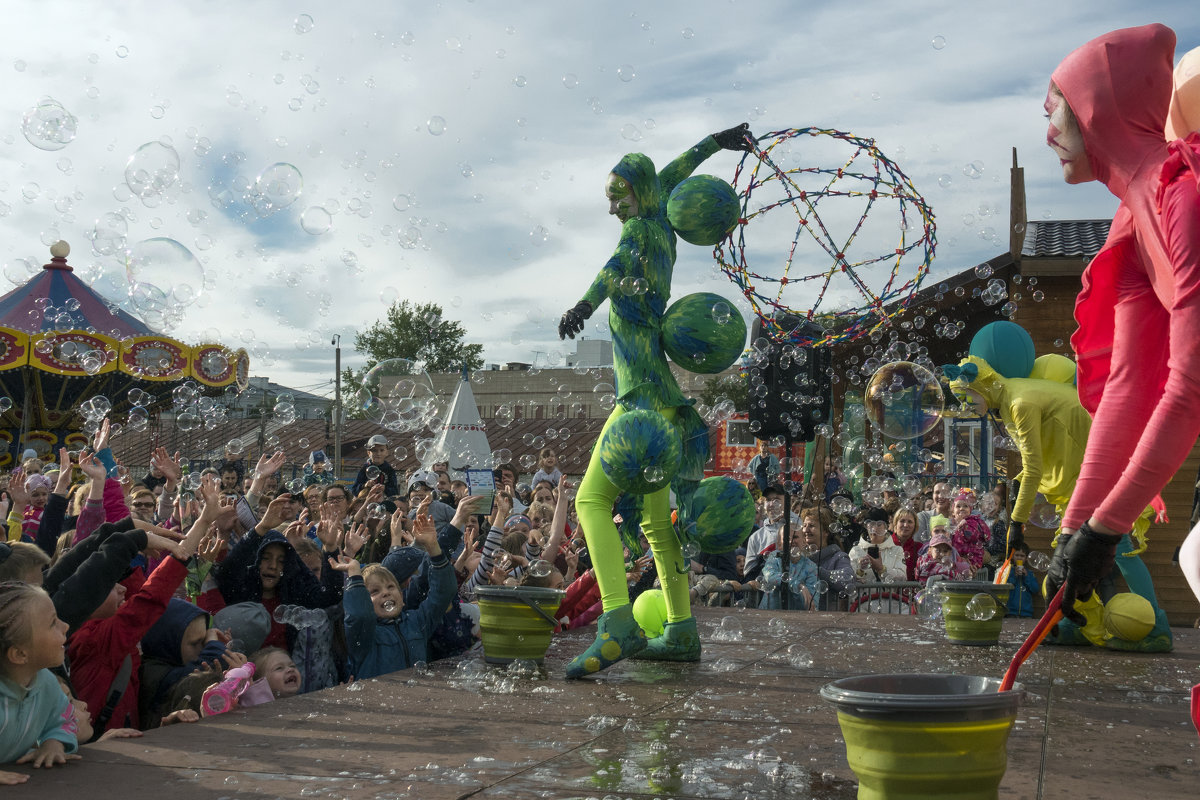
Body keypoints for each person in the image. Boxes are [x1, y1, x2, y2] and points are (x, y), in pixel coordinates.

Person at [556, 122, 754, 677]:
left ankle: (617, 624)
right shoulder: (660, 218)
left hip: (640, 394)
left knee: (590, 503)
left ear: (636, 195)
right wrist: (715, 142)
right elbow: (671, 174)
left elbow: (612, 270)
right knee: (655, 524)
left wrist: (583, 304)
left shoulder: (637, 236)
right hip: (666, 399)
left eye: (617, 195)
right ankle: (682, 630)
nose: (613, 206)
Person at [1045, 24, 1200, 624]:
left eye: (1053, 110)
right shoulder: (1136, 213)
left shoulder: (1181, 193)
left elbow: (1190, 387)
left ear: (1095, 108)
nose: (1047, 133)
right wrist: (1071, 530)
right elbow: (1130, 387)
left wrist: (1104, 531)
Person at [329, 506, 456, 679]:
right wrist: (354, 575)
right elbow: (359, 614)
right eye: (374, 591)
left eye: (391, 587)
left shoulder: (418, 622)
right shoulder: (364, 634)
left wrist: (434, 548)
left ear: (403, 597)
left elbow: (443, 594)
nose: (386, 593)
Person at [0, 583, 77, 781]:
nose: (65, 626)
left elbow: (64, 718)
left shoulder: (46, 683)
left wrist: (54, 742)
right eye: (53, 623)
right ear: (19, 654)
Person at [848, 506, 907, 583]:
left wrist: (881, 569)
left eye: (879, 524)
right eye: (871, 524)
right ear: (866, 526)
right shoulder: (856, 550)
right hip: (864, 595)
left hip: (888, 595)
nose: (875, 529)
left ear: (886, 526)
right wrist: (860, 570)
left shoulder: (897, 550)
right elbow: (849, 580)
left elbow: (903, 578)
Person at [890, 507, 921, 581]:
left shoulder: (919, 548)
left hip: (911, 591)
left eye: (910, 522)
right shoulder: (885, 544)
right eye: (902, 521)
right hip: (888, 591)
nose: (906, 525)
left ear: (915, 526)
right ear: (895, 524)